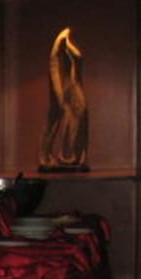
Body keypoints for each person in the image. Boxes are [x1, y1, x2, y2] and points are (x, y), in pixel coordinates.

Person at [39, 27, 88, 171]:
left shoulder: (67, 50)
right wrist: (59, 94)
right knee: (60, 116)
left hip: (72, 88)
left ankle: (70, 155)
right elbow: (54, 68)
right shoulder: (59, 50)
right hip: (64, 91)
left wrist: (68, 45)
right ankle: (47, 156)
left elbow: (78, 57)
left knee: (78, 116)